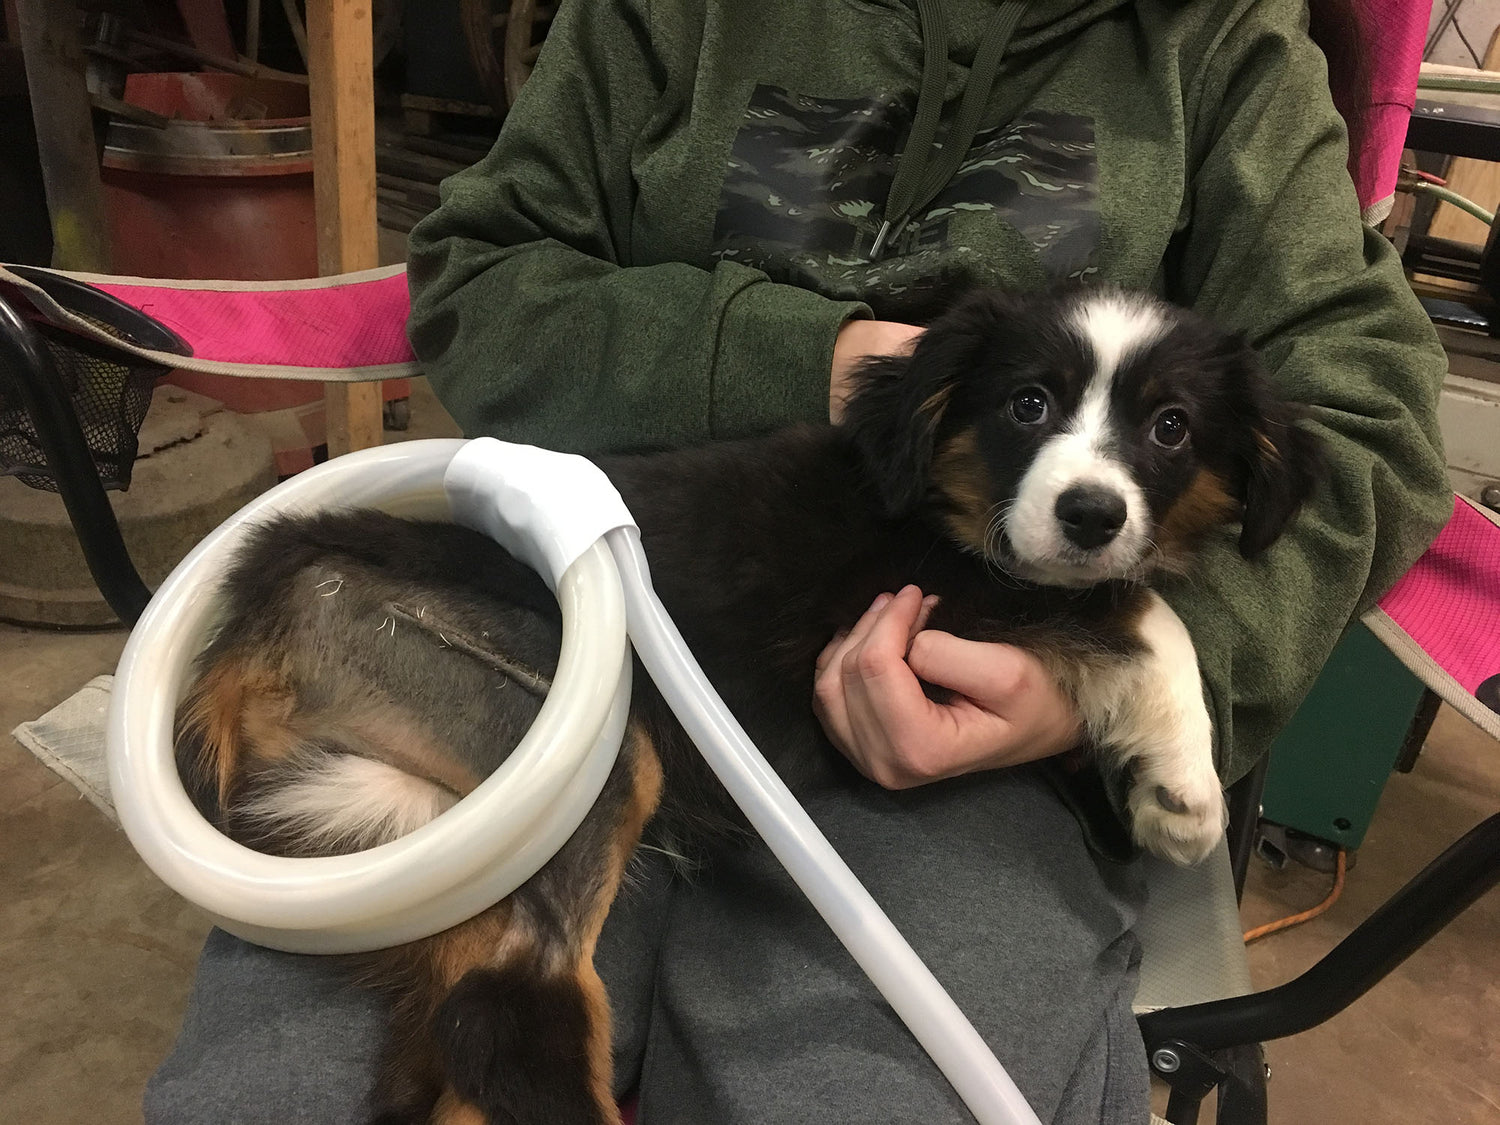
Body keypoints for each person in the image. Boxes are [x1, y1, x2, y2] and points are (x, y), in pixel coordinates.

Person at [145, 0, 1450, 1122]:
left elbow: (1370, 417)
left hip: (966, 751)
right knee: (289, 1083)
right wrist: (814, 363)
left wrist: (1103, 683)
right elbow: (475, 283)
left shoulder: (1218, 47)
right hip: (558, 632)